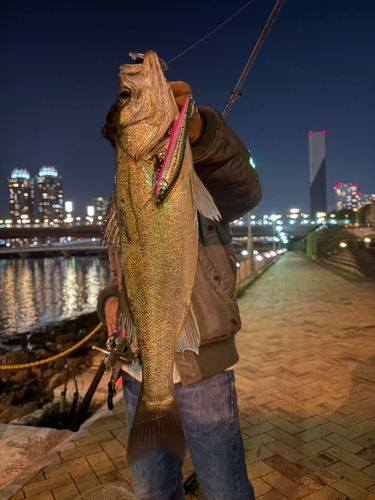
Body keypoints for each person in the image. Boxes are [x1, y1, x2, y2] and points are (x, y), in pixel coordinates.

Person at [97, 81, 262, 500]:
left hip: (202, 365)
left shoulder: (198, 173)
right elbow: (126, 275)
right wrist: (111, 301)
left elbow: (246, 189)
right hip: (140, 369)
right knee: (152, 491)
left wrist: (199, 130)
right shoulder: (122, 202)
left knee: (227, 488)